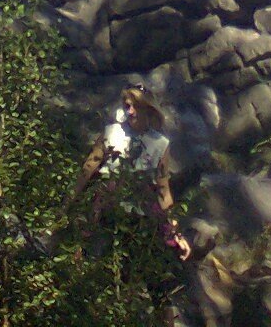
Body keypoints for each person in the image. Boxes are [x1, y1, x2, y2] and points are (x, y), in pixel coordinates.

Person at [70, 84, 192, 262]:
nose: (131, 111)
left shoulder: (160, 144)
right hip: (105, 210)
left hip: (136, 216)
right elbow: (88, 168)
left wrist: (176, 233)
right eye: (127, 106)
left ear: (147, 110)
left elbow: (163, 190)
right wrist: (68, 202)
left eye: (136, 106)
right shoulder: (111, 132)